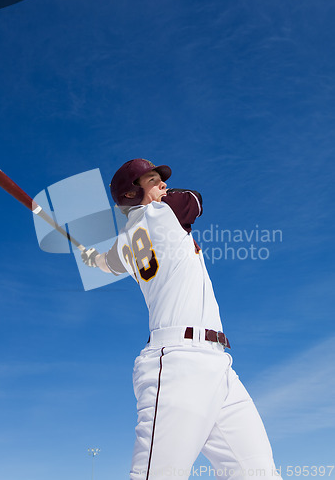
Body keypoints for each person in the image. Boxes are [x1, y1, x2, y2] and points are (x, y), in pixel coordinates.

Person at [81, 159, 282, 480]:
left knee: (258, 474)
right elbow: (195, 199)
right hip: (178, 362)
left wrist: (94, 259)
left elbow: (111, 263)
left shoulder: (126, 239)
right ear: (132, 194)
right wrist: (157, 199)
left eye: (162, 180)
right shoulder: (161, 212)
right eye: (151, 180)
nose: (162, 185)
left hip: (219, 368)